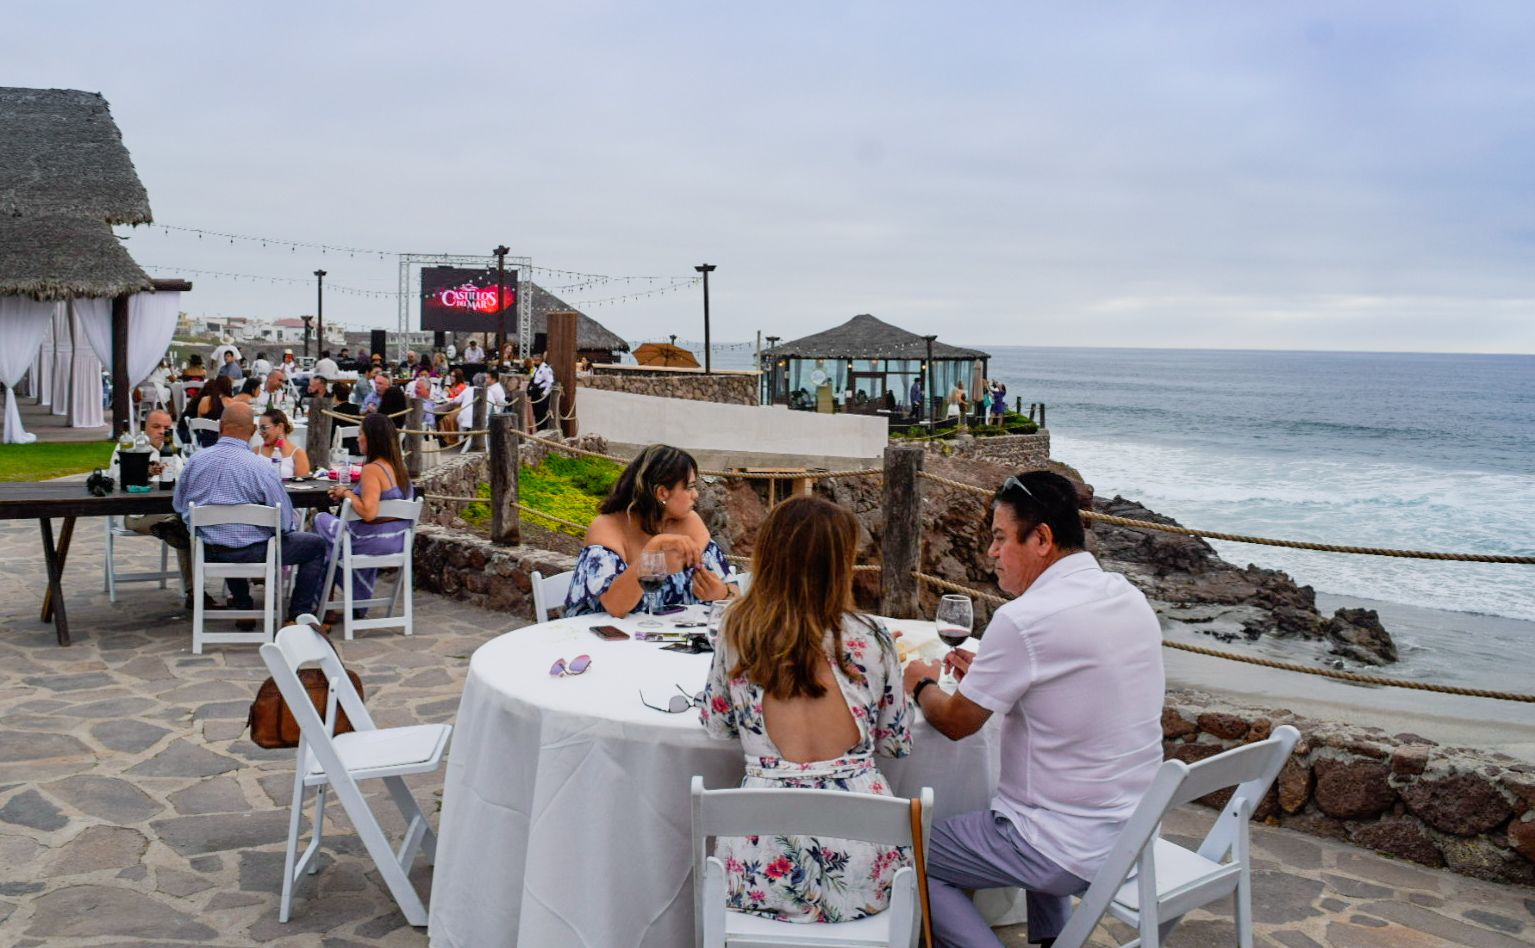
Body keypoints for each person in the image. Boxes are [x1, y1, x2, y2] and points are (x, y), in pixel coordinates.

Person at [900, 470, 1165, 947]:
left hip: (1063, 846)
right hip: (1132, 828)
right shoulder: (1127, 596)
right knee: (1045, 793)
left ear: (1041, 538)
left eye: (1000, 538)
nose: (991, 552)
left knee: (909, 853)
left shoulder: (1023, 620)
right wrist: (992, 675)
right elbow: (1073, 686)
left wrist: (920, 684)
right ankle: (1052, 939)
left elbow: (958, 723)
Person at [698, 495, 912, 923]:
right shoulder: (873, 637)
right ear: (840, 565)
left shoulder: (736, 632)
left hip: (763, 867)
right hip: (865, 867)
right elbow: (895, 743)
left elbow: (718, 726)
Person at [173, 402, 328, 620]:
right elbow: (283, 522)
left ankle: (243, 604)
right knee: (315, 546)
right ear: (253, 431)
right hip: (253, 551)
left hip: (207, 550)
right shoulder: (260, 468)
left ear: (221, 427)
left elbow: (179, 505)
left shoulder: (195, 461)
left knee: (228, 537)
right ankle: (298, 614)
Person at [563, 444, 732, 616]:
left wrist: (724, 593)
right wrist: (654, 548)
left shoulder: (690, 523)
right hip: (597, 638)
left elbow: (737, 596)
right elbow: (615, 606)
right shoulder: (607, 527)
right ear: (662, 493)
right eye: (689, 487)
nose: (695, 495)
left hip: (670, 638)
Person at [313, 412, 416, 621]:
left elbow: (369, 512)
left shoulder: (372, 470)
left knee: (321, 522)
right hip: (398, 541)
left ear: (371, 437)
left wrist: (346, 493)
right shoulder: (399, 468)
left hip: (370, 542)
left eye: (361, 433)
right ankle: (357, 601)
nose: (358, 438)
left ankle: (323, 604)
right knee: (334, 542)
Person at [107, 409, 193, 598]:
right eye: (156, 427)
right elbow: (117, 479)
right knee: (181, 525)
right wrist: (144, 472)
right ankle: (193, 590)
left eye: (167, 428)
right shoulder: (129, 448)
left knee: (187, 523)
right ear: (145, 428)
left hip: (170, 510)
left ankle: (194, 590)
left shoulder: (173, 452)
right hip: (136, 514)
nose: (162, 431)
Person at [253, 408, 311, 479]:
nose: (260, 433)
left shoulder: (298, 454)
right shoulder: (255, 451)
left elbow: (301, 486)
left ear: (280, 427)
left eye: (264, 428)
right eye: (259, 429)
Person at [433, 368, 473, 445]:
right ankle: (442, 437)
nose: (451, 378)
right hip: (451, 406)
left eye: (453, 376)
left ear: (458, 377)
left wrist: (449, 391)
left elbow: (456, 399)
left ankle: (448, 438)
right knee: (439, 416)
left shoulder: (462, 386)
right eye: (451, 376)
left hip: (460, 407)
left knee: (446, 418)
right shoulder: (453, 386)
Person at [194, 375, 235, 447]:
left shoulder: (204, 400)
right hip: (224, 443)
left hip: (205, 442)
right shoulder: (231, 403)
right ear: (229, 387)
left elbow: (199, 419)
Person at [330, 381, 362, 457]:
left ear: (334, 395)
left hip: (339, 448)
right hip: (355, 447)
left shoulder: (334, 412)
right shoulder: (355, 408)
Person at [529, 352, 555, 429]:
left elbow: (550, 382)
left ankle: (543, 430)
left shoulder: (546, 368)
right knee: (536, 414)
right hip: (535, 392)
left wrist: (544, 393)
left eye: (536, 360)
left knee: (542, 414)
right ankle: (538, 430)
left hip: (542, 393)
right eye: (534, 360)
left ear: (541, 360)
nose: (535, 362)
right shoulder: (534, 368)